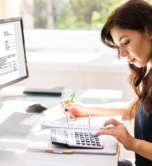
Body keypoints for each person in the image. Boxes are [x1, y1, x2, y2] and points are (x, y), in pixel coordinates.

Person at [61, 0, 152, 166]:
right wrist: (85, 110)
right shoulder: (149, 74)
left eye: (126, 42)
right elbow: (136, 109)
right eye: (119, 47)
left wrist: (132, 143)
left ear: (149, 30)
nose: (123, 54)